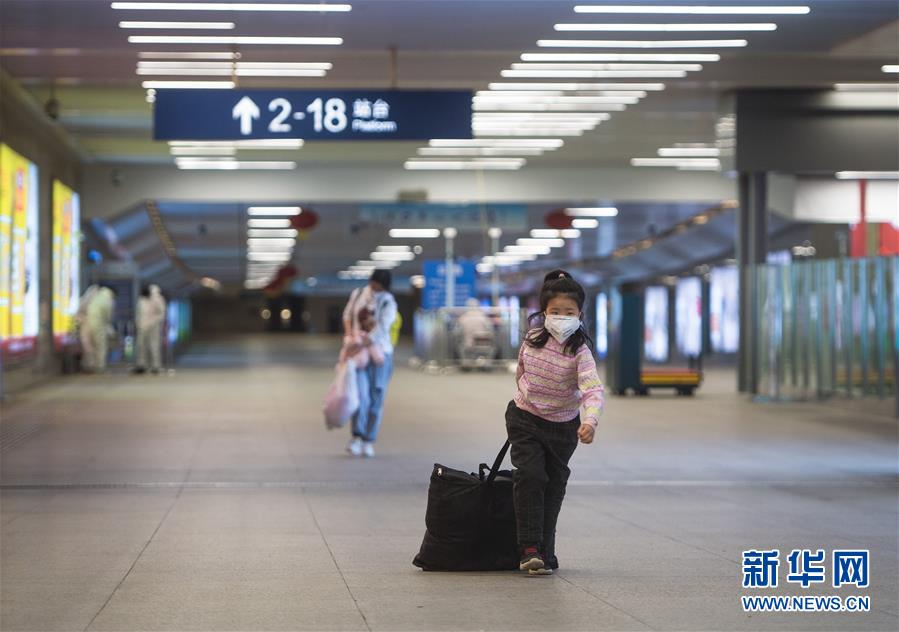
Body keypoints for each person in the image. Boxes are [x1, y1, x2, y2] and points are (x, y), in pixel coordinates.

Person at [506, 269, 604, 576]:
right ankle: (529, 549)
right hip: (525, 418)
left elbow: (592, 389)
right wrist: (530, 399)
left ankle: (545, 551)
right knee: (531, 476)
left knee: (554, 486)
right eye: (556, 311)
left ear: (580, 315)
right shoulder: (532, 341)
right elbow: (521, 374)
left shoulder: (580, 352)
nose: (562, 317)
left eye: (569, 312)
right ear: (544, 312)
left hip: (563, 428)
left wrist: (590, 421)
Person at [342, 269, 397, 458]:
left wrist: (360, 344)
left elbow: (382, 328)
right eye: (373, 284)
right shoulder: (358, 294)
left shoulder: (388, 301)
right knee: (360, 396)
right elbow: (347, 316)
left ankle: (368, 439)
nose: (375, 288)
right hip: (358, 354)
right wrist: (350, 338)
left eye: (379, 286)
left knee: (376, 398)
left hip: (381, 354)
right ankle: (356, 437)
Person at [82, 285, 117, 372]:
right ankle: (99, 366)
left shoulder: (97, 294)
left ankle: (90, 365)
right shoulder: (108, 299)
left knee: (90, 345)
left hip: (87, 322)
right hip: (98, 323)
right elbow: (108, 315)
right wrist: (108, 325)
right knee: (100, 345)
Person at [134, 284, 166, 374]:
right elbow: (139, 313)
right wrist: (138, 323)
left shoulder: (158, 299)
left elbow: (161, 313)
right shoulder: (142, 300)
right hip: (142, 326)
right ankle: (141, 365)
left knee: (154, 345)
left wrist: (154, 322)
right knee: (141, 346)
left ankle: (155, 366)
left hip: (154, 326)